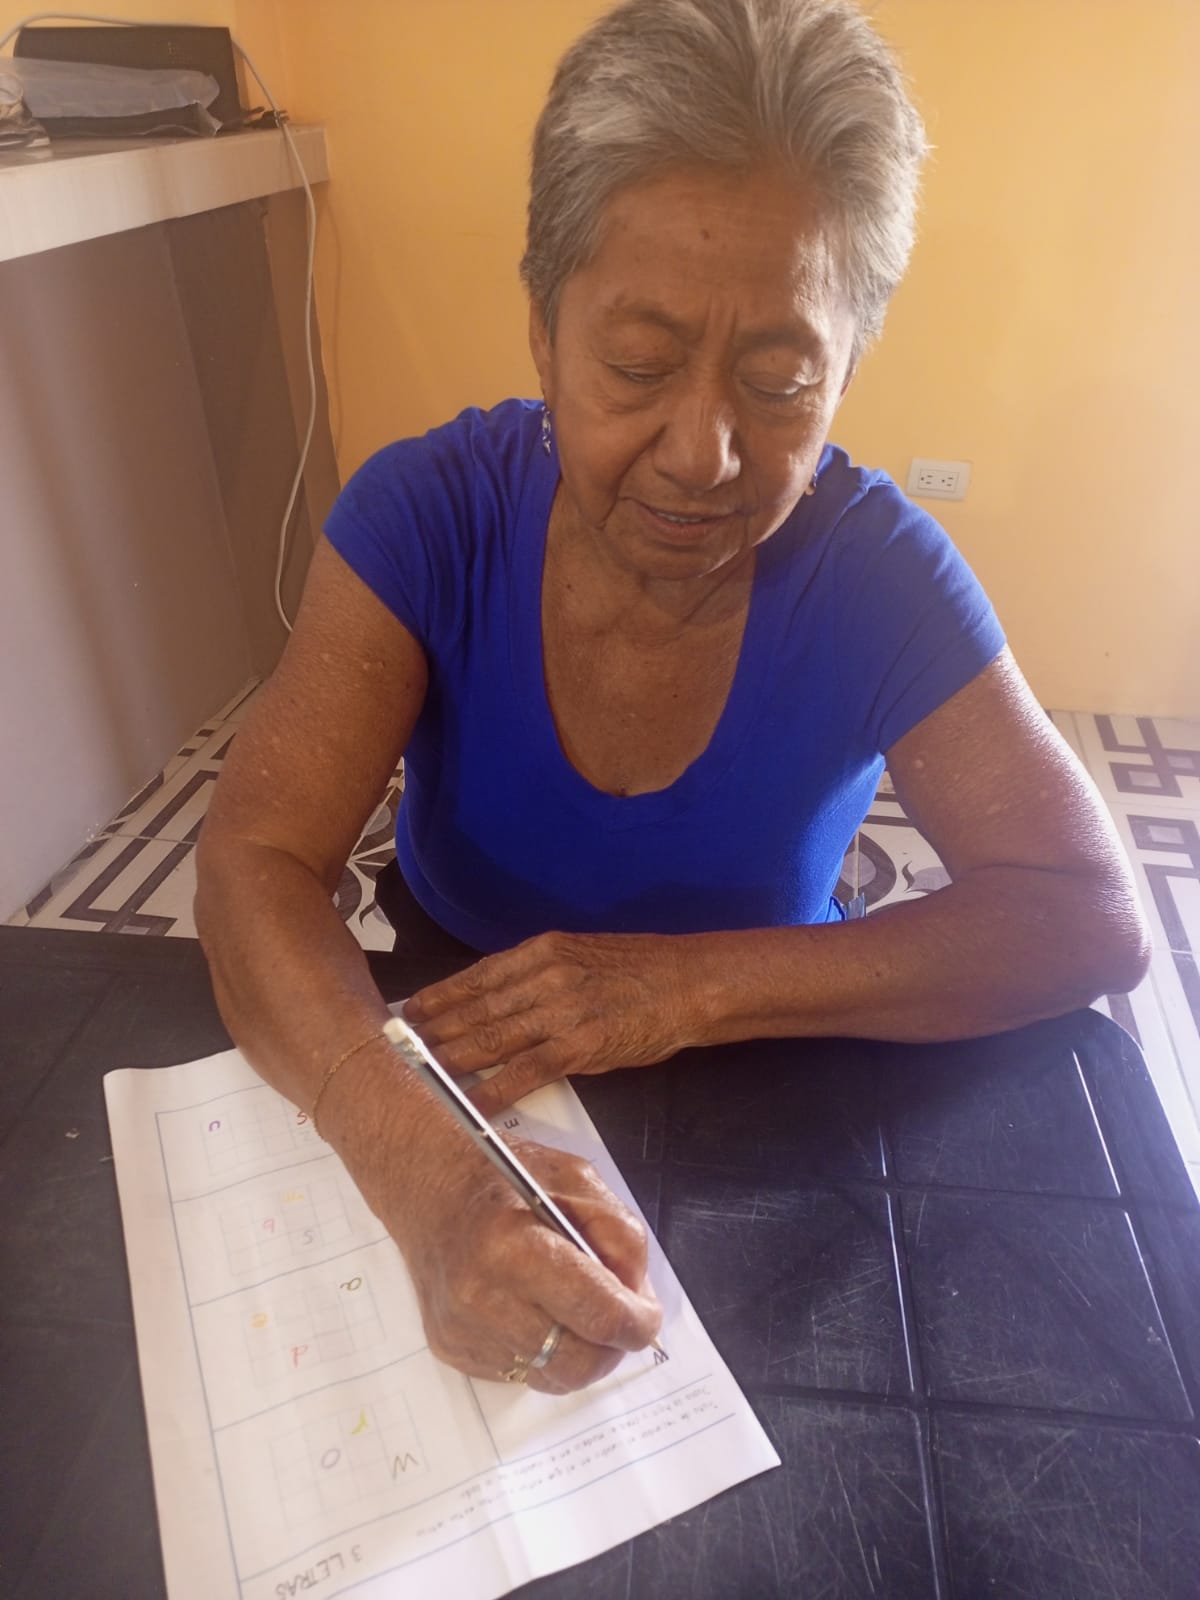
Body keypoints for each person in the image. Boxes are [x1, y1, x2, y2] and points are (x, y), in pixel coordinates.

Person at [195, 0, 1149, 1395]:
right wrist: (414, 1161)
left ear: (848, 368)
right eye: (638, 366)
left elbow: (1088, 916)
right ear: (542, 331)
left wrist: (681, 987)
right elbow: (254, 860)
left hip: (774, 1046)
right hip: (460, 1018)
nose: (703, 452)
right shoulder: (429, 515)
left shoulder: (877, 571)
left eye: (780, 382)